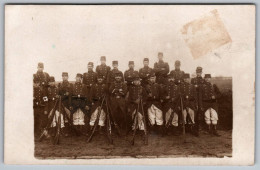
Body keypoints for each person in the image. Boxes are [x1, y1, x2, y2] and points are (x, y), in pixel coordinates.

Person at [191, 66, 205, 136]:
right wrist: (196, 86)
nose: (198, 73)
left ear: (201, 72)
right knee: (195, 111)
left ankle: (200, 126)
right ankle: (194, 126)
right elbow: (192, 86)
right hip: (195, 97)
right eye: (197, 72)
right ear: (196, 72)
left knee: (200, 111)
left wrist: (198, 86)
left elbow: (203, 88)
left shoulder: (203, 80)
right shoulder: (193, 80)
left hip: (201, 97)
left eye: (200, 72)